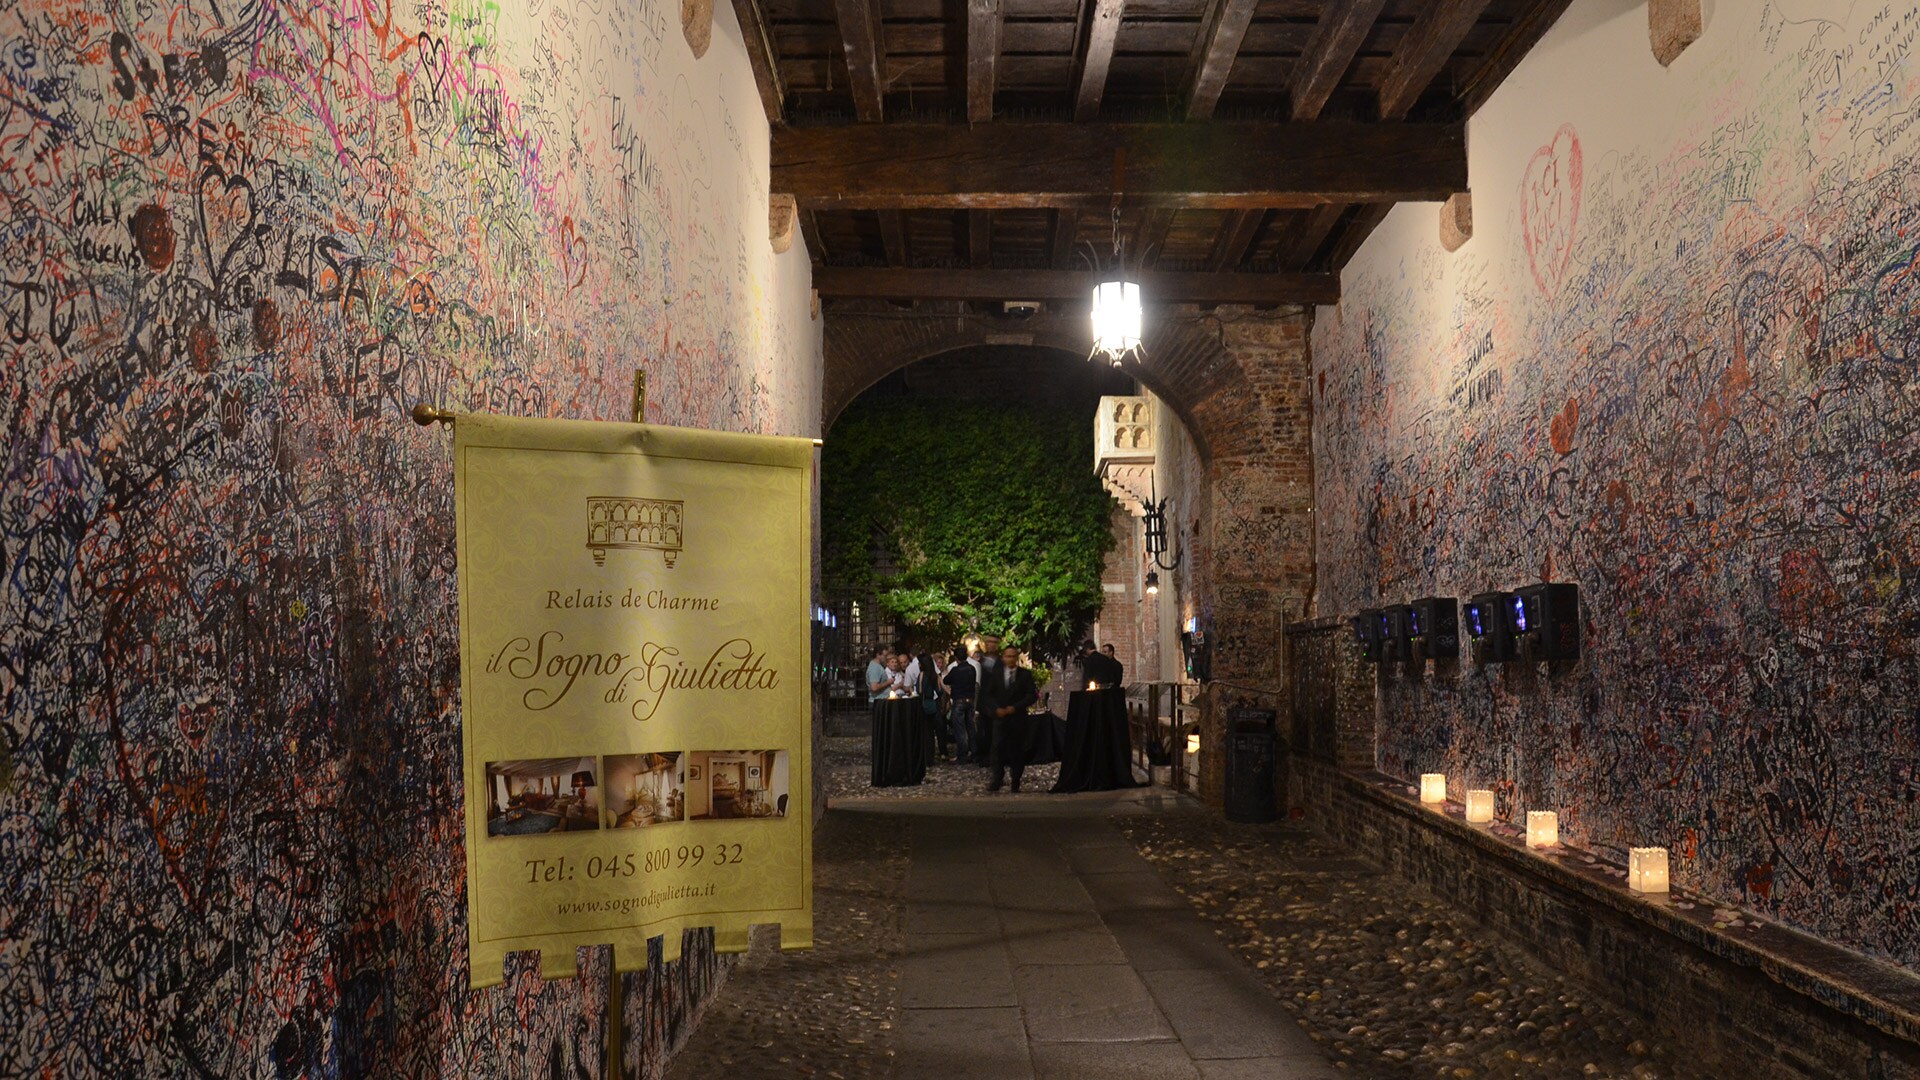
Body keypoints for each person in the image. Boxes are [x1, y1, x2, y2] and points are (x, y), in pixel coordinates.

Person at [988, 645, 1039, 793]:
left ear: (1017, 658)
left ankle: (1016, 780)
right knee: (997, 749)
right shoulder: (996, 674)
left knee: (1017, 750)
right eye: (1007, 656)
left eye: (1013, 656)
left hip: (1017, 719)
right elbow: (989, 695)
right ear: (1003, 657)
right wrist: (996, 708)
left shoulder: (1025, 675)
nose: (1010, 659)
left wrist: (1016, 707)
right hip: (1000, 719)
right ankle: (997, 778)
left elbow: (1031, 695)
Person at [941, 646, 979, 765]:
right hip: (970, 700)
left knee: (959, 729)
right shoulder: (972, 669)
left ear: (956, 658)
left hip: (959, 701)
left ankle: (962, 754)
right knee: (971, 727)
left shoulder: (955, 670)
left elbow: (946, 680)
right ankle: (974, 753)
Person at [974, 634, 1003, 765]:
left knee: (994, 731)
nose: (991, 645)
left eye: (993, 643)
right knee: (983, 731)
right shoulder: (980, 661)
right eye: (989, 642)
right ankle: (984, 755)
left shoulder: (1000, 661)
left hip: (996, 702)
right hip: (984, 702)